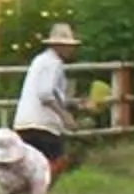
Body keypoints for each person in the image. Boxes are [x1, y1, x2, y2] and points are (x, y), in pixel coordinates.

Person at [13, 22, 83, 182]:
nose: (71, 49)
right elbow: (45, 94)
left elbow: (50, 93)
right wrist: (65, 116)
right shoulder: (53, 63)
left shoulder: (40, 61)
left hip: (25, 121)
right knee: (55, 163)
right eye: (67, 46)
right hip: (43, 124)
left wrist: (73, 104)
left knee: (30, 166)